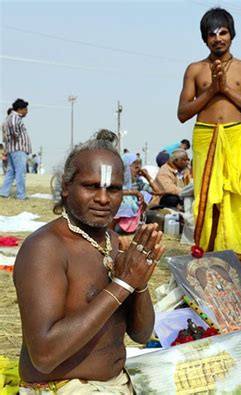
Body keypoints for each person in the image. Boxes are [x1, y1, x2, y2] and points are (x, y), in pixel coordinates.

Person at [14, 135, 165, 393]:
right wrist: (122, 283)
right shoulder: (45, 248)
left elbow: (141, 335)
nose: (104, 199)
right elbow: (45, 355)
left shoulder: (113, 240)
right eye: (91, 186)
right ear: (65, 187)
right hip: (63, 387)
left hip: (118, 382)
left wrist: (139, 282)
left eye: (113, 189)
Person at [177, 7, 241, 261]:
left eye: (223, 32)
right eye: (212, 34)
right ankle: (204, 255)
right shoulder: (194, 69)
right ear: (205, 38)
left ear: (231, 34)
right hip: (205, 135)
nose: (218, 38)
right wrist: (211, 91)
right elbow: (183, 113)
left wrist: (226, 90)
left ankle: (233, 256)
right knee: (206, 196)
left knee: (232, 198)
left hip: (235, 136)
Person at [114, 152, 163, 233]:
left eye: (139, 165)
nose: (138, 168)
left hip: (134, 219)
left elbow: (158, 191)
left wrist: (147, 176)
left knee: (146, 196)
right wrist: (134, 193)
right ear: (125, 167)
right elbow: (113, 192)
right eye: (134, 165)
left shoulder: (138, 183)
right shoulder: (116, 180)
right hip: (116, 220)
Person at [0, 99, 32, 200]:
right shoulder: (15, 117)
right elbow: (15, 132)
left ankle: (4, 192)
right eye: (25, 109)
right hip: (18, 149)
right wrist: (17, 140)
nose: (26, 111)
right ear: (20, 109)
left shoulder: (8, 118)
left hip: (12, 149)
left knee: (11, 171)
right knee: (20, 172)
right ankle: (21, 195)